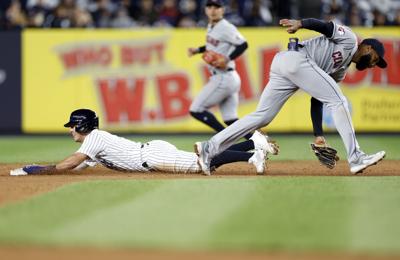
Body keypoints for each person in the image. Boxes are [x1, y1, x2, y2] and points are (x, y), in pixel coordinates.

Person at [195, 18, 387, 175]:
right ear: (368, 48)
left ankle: (209, 148)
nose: (373, 65)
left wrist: (318, 134)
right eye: (375, 60)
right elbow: (326, 27)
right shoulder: (351, 40)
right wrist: (301, 24)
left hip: (285, 65)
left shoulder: (341, 72)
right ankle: (357, 158)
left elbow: (317, 98)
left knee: (262, 116)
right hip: (295, 59)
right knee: (339, 101)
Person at [10, 109, 279, 176]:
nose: (70, 130)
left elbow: (72, 162)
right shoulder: (95, 140)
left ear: (81, 126)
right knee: (203, 160)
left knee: (202, 164)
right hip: (152, 153)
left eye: (72, 126)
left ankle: (250, 154)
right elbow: (79, 166)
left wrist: (47, 169)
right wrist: (39, 168)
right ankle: (252, 143)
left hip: (152, 157)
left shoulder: (94, 137)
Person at [187, 0, 252, 139]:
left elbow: (243, 44)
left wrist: (227, 58)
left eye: (216, 7)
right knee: (230, 119)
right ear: (205, 10)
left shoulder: (226, 27)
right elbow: (211, 46)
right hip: (229, 77)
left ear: (222, 10)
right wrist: (198, 50)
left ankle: (224, 139)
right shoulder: (211, 25)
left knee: (196, 110)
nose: (213, 9)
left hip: (223, 77)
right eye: (209, 6)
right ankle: (257, 141)